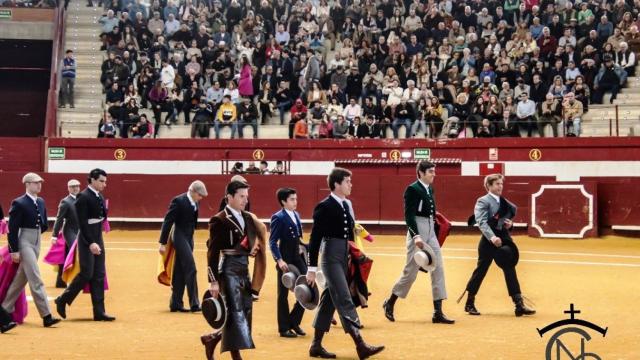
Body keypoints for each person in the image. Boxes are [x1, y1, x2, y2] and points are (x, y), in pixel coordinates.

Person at [306, 168, 385, 359]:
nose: (351, 184)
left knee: (328, 300)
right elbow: (315, 238)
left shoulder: (346, 205)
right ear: (336, 184)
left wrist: (352, 254)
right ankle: (360, 345)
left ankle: (315, 345)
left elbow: (349, 232)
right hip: (331, 256)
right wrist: (311, 268)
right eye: (347, 181)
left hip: (343, 254)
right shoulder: (324, 206)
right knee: (343, 296)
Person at [383, 161, 454, 325]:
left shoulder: (430, 188)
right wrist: (416, 236)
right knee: (411, 271)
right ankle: (390, 302)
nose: (433, 174)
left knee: (438, 268)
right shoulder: (412, 189)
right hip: (418, 229)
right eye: (430, 171)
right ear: (421, 173)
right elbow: (409, 216)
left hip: (430, 229)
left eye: (434, 171)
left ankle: (438, 312)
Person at [460, 174, 536, 317]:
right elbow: (481, 222)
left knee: (510, 267)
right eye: (497, 184)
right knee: (481, 269)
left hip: (503, 237)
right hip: (490, 240)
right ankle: (469, 303)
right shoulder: (482, 201)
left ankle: (518, 304)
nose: (500, 186)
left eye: (501, 184)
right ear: (489, 186)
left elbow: (505, 219)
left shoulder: (504, 201)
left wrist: (510, 224)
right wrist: (492, 237)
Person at [206, 180, 261, 360]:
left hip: (244, 268)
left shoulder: (247, 217)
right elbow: (212, 252)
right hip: (228, 269)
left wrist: (252, 249)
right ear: (229, 197)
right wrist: (213, 281)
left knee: (244, 311)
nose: (245, 200)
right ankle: (236, 357)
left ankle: (212, 339)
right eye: (241, 196)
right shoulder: (219, 219)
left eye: (246, 196)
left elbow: (250, 240)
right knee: (235, 312)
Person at [0, 173, 62, 331]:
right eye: (35, 183)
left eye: (40, 182)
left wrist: (38, 234)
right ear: (27, 184)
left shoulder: (40, 201)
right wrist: (14, 250)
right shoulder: (19, 202)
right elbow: (12, 229)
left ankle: (4, 312)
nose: (39, 185)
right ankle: (46, 316)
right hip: (25, 241)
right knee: (35, 278)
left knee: (21, 280)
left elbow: (43, 223)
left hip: (36, 241)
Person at [55, 169, 115, 322]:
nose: (104, 184)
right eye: (101, 181)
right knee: (87, 273)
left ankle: (99, 312)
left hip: (97, 235)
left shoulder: (99, 195)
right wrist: (91, 242)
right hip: (86, 238)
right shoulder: (83, 197)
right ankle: (63, 299)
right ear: (92, 180)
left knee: (99, 274)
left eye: (105, 181)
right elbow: (82, 223)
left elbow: (101, 216)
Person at [158, 181, 208, 313]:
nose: (201, 198)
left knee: (180, 270)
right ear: (193, 191)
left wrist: (191, 238)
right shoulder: (178, 201)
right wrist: (163, 243)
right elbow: (168, 221)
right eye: (200, 195)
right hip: (179, 235)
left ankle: (175, 303)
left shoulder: (195, 202)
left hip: (189, 237)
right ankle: (195, 304)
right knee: (191, 268)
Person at [269, 188, 308, 338]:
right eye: (292, 199)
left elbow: (298, 238)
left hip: (297, 258)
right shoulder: (278, 217)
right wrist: (279, 260)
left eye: (296, 199)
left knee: (309, 287)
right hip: (285, 258)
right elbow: (272, 242)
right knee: (283, 294)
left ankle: (294, 321)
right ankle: (283, 328)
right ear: (283, 201)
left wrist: (303, 246)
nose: (295, 202)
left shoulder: (296, 215)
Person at [51, 179, 81, 288]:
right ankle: (76, 280)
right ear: (68, 188)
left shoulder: (82, 199)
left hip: (80, 231)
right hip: (69, 231)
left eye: (77, 186)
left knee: (68, 255)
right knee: (76, 252)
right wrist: (54, 235)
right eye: (73, 186)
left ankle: (61, 281)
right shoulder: (66, 202)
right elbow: (59, 219)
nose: (75, 188)